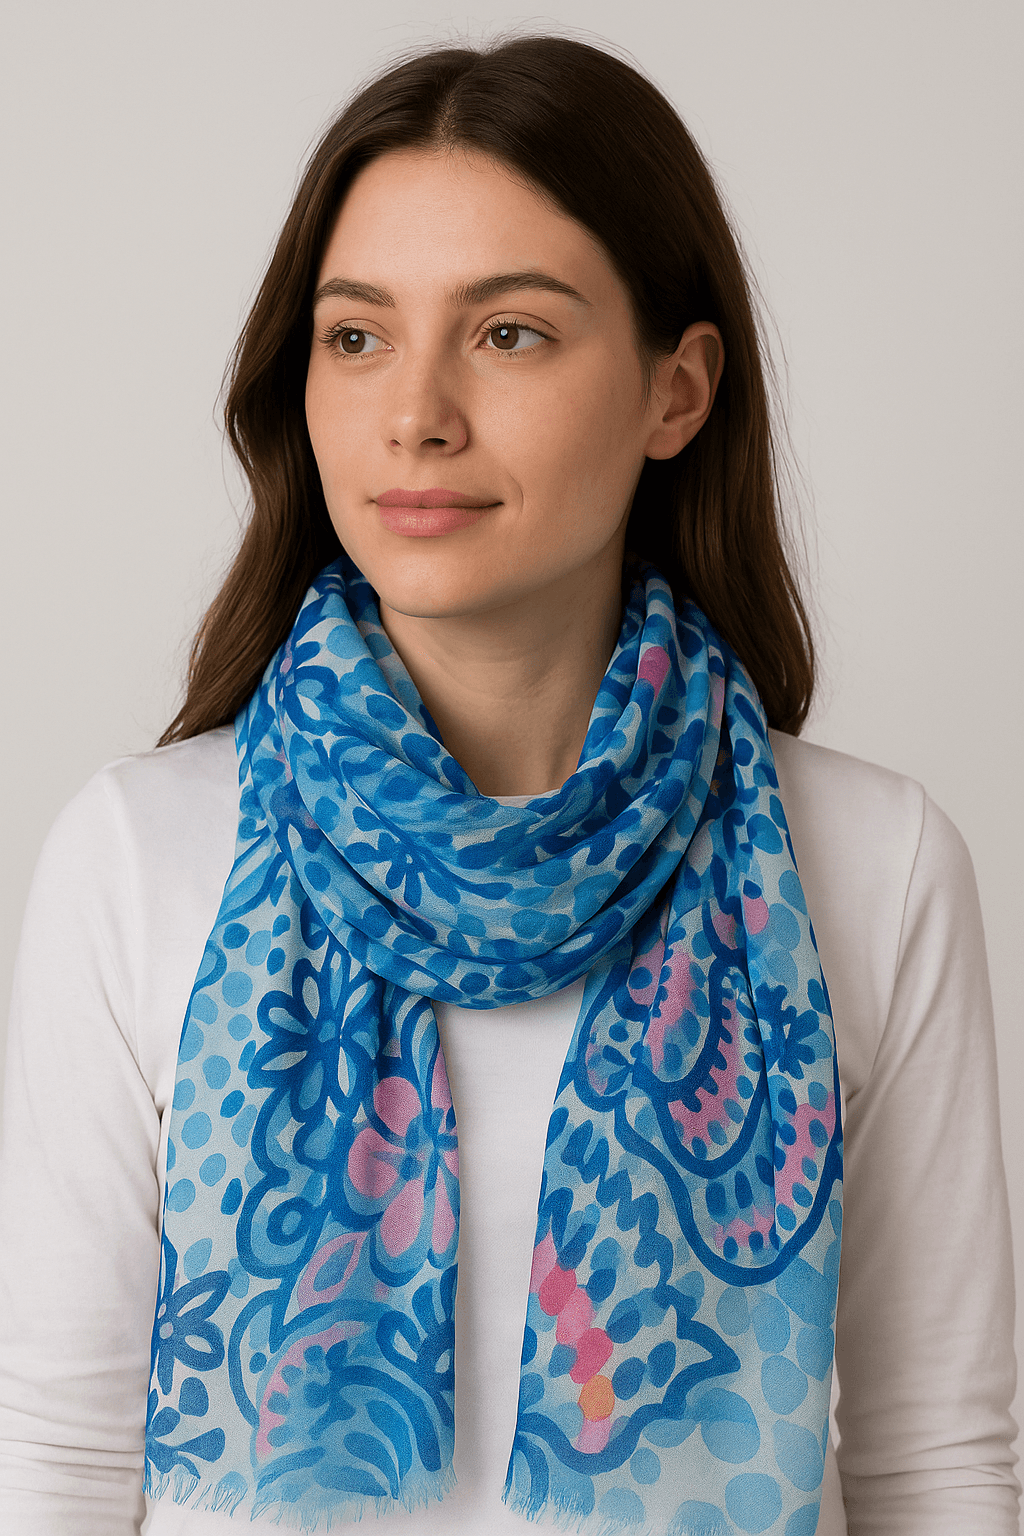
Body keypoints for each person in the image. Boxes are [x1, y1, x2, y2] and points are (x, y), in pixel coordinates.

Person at [0, 32, 1018, 1536]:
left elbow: (937, 1466)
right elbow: (57, 1467)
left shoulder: (875, 862)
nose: (416, 411)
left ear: (677, 392)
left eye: (510, 333)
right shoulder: (137, 856)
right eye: (357, 337)